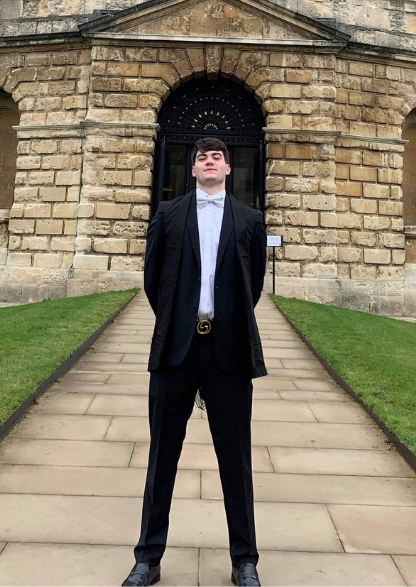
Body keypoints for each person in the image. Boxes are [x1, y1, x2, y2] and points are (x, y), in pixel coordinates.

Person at [123, 137, 266, 587]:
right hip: (176, 350)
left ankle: (245, 561)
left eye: (216, 157)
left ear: (227, 168)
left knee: (235, 461)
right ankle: (147, 558)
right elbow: (153, 281)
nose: (209, 161)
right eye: (201, 157)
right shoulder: (167, 215)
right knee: (162, 456)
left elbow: (253, 283)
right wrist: (180, 322)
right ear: (193, 170)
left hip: (227, 353)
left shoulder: (250, 220)